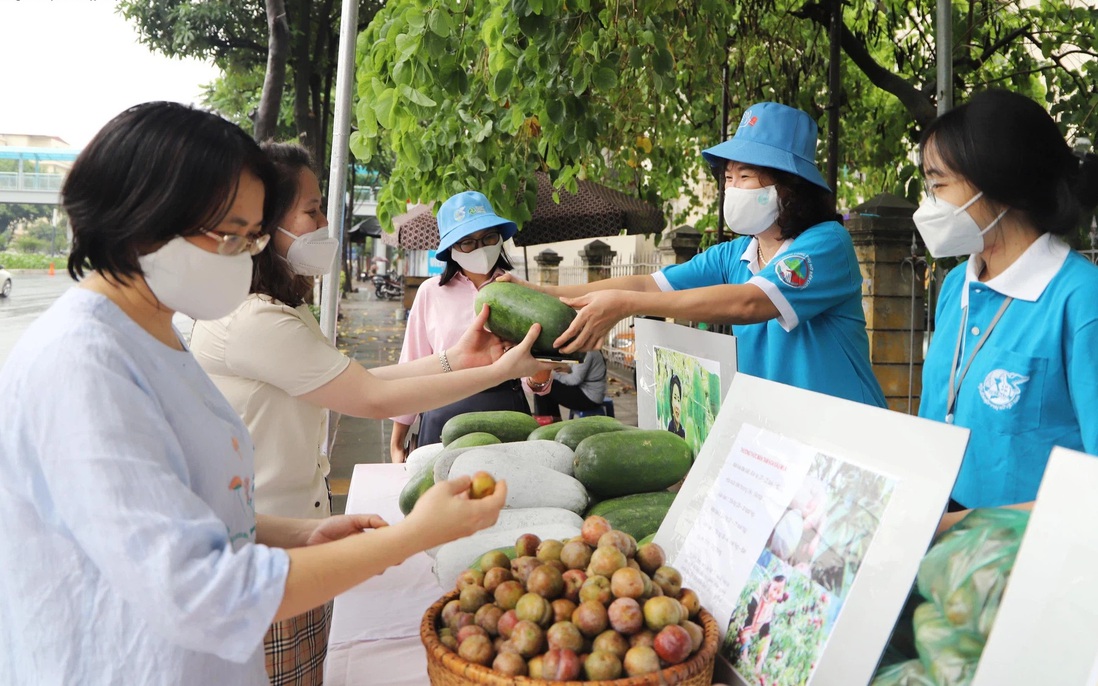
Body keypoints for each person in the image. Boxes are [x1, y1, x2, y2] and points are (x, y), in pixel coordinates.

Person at [0, 102, 538, 684]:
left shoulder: (155, 336)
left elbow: (190, 509)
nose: (248, 255)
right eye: (232, 235)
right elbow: (198, 592)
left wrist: (299, 533)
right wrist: (414, 535)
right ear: (147, 217)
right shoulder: (83, 366)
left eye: (254, 236)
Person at [189, 146, 550, 684]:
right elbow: (373, 400)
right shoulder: (254, 320)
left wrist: (461, 358)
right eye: (312, 210)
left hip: (285, 529)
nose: (324, 224)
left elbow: (363, 382)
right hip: (264, 549)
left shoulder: (281, 308)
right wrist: (493, 371)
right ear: (265, 225)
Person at [501, 102, 886, 408]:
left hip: (843, 425)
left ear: (790, 187)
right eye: (728, 178)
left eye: (745, 177)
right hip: (778, 429)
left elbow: (751, 303)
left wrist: (625, 305)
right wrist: (537, 292)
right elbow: (647, 282)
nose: (731, 189)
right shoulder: (735, 254)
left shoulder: (826, 243)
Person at [912, 90, 1098, 530]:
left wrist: (961, 525)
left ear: (1001, 183)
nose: (929, 204)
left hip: (1034, 567)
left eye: (939, 185)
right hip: (942, 556)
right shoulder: (957, 284)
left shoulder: (1080, 300)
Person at [390, 191, 549, 461]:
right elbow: (412, 364)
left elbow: (534, 379)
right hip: (442, 413)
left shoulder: (521, 291)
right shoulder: (431, 293)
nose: (480, 248)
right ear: (451, 249)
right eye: (467, 243)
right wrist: (397, 440)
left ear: (500, 238)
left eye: (488, 238)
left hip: (506, 415)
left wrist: (541, 372)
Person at [530, 350, 608, 419]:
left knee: (543, 385)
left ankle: (547, 422)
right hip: (590, 393)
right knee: (546, 386)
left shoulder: (587, 353)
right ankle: (551, 420)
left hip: (589, 398)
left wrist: (552, 375)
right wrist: (567, 368)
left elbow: (574, 380)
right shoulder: (589, 350)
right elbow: (579, 371)